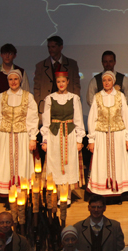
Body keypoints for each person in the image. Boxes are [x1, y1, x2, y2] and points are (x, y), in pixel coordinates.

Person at [87, 71, 128, 202]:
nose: (107, 83)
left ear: (113, 81)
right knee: (102, 162)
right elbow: (92, 118)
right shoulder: (97, 97)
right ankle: (103, 192)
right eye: (104, 80)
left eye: (109, 80)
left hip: (118, 134)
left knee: (118, 161)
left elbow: (126, 115)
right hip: (101, 135)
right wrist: (91, 139)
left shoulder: (120, 96)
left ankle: (118, 191)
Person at [0, 69, 38, 197]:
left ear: (20, 80)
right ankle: (8, 192)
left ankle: (21, 192)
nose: (13, 82)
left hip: (22, 136)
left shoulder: (28, 96)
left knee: (22, 162)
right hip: (5, 136)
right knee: (6, 162)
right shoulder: (2, 96)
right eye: (10, 79)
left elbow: (33, 118)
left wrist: (33, 138)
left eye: (16, 79)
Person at [41, 71, 85, 205]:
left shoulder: (74, 98)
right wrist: (45, 140)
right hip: (54, 135)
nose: (61, 84)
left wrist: (79, 140)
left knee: (69, 163)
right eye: (58, 82)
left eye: (63, 81)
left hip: (69, 135)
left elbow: (78, 119)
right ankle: (58, 194)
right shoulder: (50, 98)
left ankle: (67, 195)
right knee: (55, 164)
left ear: (68, 82)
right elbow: (46, 121)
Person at [34, 36, 81, 123]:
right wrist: (39, 105)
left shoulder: (71, 64)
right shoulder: (40, 66)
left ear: (61, 47)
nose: (50, 50)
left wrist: (75, 104)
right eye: (48, 47)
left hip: (66, 107)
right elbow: (37, 88)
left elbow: (76, 86)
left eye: (53, 47)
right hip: (46, 106)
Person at [0, 43, 30, 115]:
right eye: (4, 53)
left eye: (10, 54)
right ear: (1, 55)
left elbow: (26, 91)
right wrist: (1, 104)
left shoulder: (21, 72)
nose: (7, 56)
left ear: (14, 56)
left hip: (17, 111)